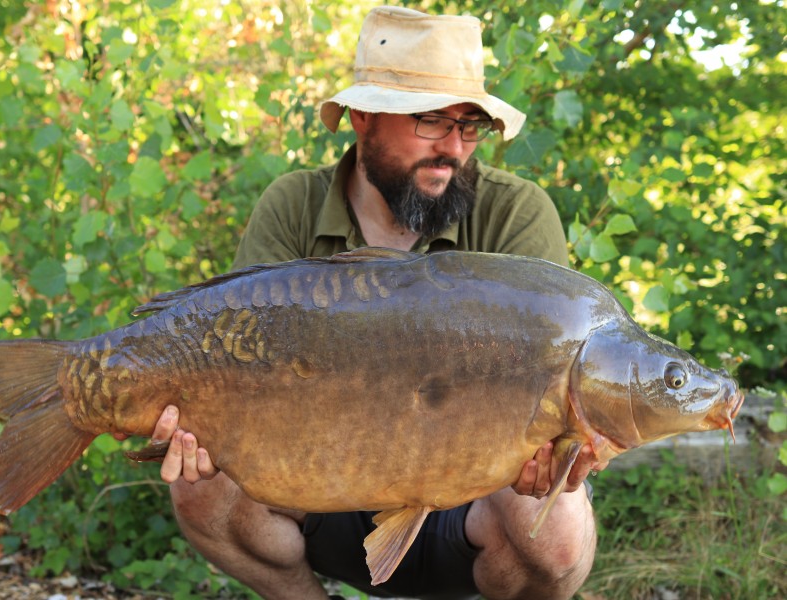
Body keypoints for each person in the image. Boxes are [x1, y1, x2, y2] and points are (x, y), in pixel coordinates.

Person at [141, 6, 603, 600]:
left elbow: (554, 379)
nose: (454, 148)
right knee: (200, 488)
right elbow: (231, 361)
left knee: (558, 532)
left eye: (469, 127)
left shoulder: (516, 214)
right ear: (363, 116)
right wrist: (203, 422)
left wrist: (564, 451)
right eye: (432, 122)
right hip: (320, 482)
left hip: (474, 499)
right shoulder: (292, 207)